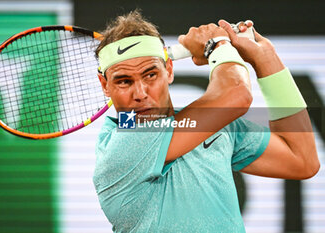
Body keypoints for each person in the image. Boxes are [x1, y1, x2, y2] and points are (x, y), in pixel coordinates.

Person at [93, 10, 320, 233]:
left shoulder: (213, 126)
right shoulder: (123, 143)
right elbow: (237, 94)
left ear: (169, 70)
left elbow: (302, 160)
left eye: (150, 75)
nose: (140, 93)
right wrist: (218, 46)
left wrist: (265, 58)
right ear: (105, 85)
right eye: (124, 81)